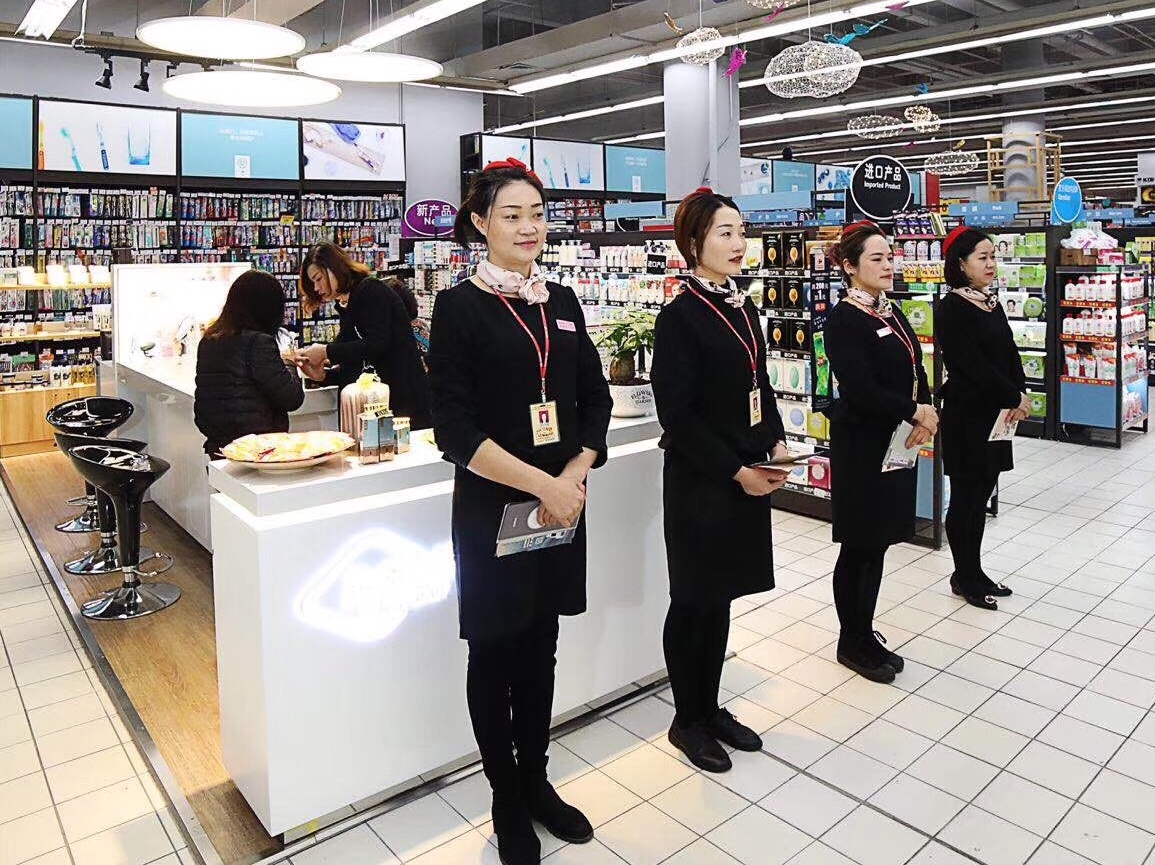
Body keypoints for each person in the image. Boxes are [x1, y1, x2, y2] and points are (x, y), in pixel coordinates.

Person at [426, 157, 611, 865]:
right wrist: (543, 484)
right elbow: (454, 428)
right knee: (494, 650)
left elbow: (593, 399)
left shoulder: (561, 300)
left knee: (541, 645)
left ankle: (536, 779)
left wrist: (572, 473)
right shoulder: (459, 308)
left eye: (536, 213)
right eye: (511, 214)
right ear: (480, 223)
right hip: (493, 508)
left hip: (560, 503)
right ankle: (505, 798)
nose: (528, 226)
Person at [650, 187, 790, 773]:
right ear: (693, 242)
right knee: (693, 599)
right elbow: (677, 417)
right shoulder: (678, 317)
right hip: (703, 480)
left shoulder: (742, 306)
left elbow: (761, 383)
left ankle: (710, 707)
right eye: (724, 233)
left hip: (746, 470)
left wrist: (776, 441)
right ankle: (687, 719)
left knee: (722, 596)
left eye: (741, 232)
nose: (738, 243)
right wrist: (737, 471)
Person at [823, 220, 937, 684]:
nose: (889, 265)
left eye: (890, 257)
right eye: (877, 258)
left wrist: (926, 410)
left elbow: (916, 366)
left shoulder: (891, 312)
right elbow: (861, 388)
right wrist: (914, 411)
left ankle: (864, 631)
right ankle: (850, 639)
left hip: (896, 445)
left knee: (879, 544)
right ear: (850, 267)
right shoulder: (843, 320)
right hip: (862, 447)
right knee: (859, 544)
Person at [938, 226, 1028, 610]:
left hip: (997, 416)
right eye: (982, 257)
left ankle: (974, 571)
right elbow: (971, 366)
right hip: (968, 416)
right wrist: (1012, 395)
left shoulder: (991, 303)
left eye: (993, 256)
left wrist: (1020, 391)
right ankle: (964, 575)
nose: (991, 263)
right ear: (961, 263)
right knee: (966, 498)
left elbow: (1009, 351)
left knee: (983, 494)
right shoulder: (951, 308)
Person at [297, 242, 432, 428]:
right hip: (379, 411)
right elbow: (356, 364)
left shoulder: (370, 291)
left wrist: (326, 352)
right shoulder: (349, 303)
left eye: (318, 279)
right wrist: (323, 376)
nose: (316, 288)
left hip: (401, 409)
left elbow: (377, 344)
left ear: (332, 269)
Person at [194, 270, 304, 456]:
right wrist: (289, 362)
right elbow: (292, 398)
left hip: (219, 446)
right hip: (259, 449)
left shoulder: (209, 341)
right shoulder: (259, 342)